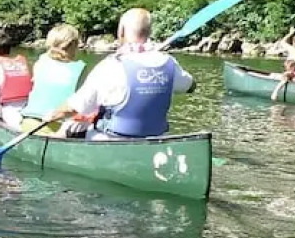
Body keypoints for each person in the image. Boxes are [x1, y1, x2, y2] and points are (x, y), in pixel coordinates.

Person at [46, 8, 195, 139]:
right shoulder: (168, 63)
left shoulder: (110, 66)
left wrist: (54, 114)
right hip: (156, 139)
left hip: (111, 138)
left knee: (69, 126)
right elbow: (191, 86)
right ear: (149, 32)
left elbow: (75, 107)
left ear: (121, 32)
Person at [22, 24, 86, 131]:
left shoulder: (41, 61)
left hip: (29, 122)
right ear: (73, 45)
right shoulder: (80, 68)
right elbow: (84, 102)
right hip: (59, 127)